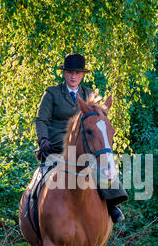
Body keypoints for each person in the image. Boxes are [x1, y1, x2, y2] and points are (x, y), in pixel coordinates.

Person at [35, 53, 128, 223]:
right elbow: (41, 119)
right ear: (64, 73)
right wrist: (43, 140)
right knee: (40, 179)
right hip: (56, 148)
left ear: (83, 75)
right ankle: (33, 210)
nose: (73, 76)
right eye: (70, 72)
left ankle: (112, 204)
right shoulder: (52, 93)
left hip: (83, 149)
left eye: (77, 73)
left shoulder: (89, 94)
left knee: (103, 168)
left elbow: (99, 122)